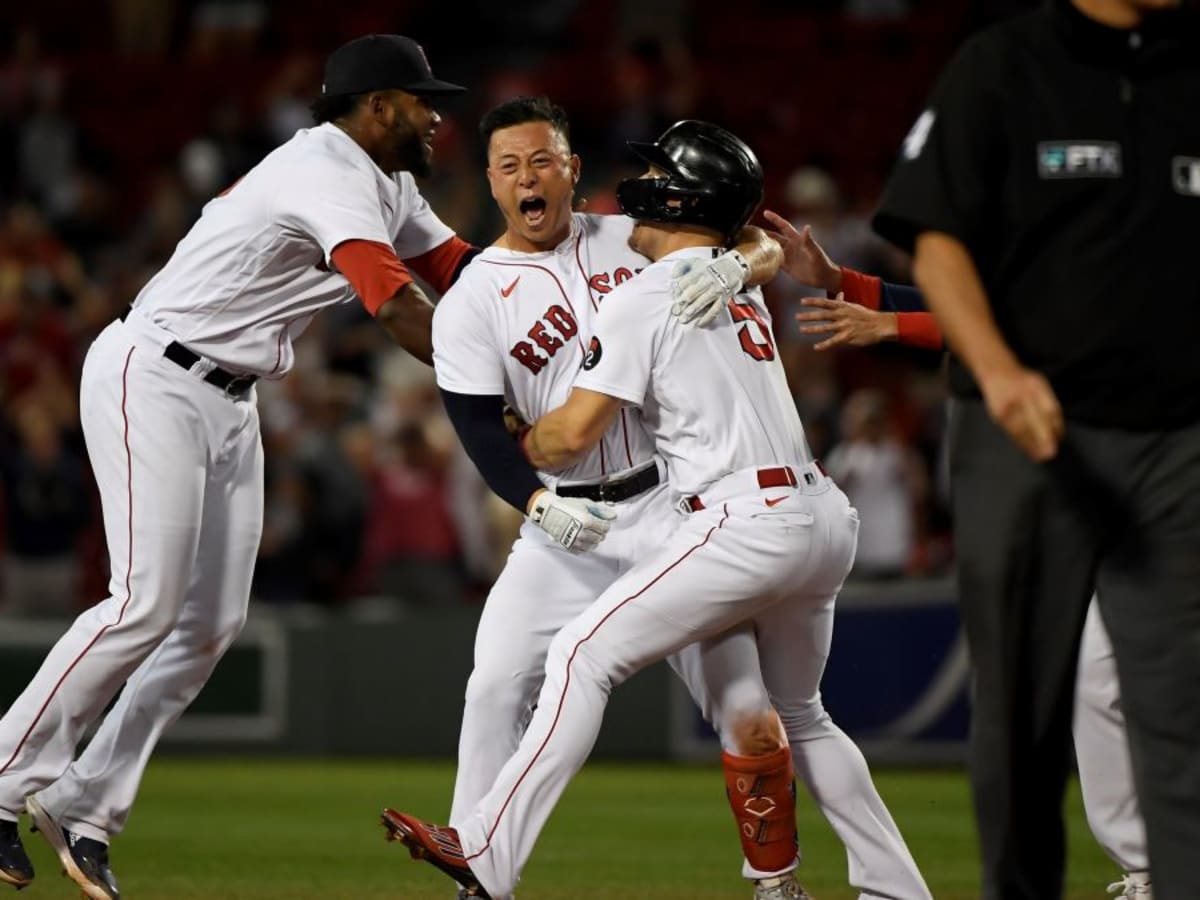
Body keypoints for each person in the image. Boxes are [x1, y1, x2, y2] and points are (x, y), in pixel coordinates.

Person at [381, 120, 921, 900]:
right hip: (788, 512)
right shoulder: (688, 281)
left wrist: (530, 437)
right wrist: (535, 498)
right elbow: (754, 244)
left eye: (543, 159)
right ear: (492, 180)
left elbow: (567, 434)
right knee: (797, 714)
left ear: (570, 168)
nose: (528, 176)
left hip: (699, 512)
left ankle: (492, 856)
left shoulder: (642, 276)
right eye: (509, 164)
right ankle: (895, 890)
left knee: (595, 663)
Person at [0, 34, 476, 900]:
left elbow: (464, 277)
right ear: (375, 108)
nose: (436, 115)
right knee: (143, 601)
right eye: (419, 99)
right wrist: (496, 379)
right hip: (157, 372)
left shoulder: (390, 183)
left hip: (230, 397)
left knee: (210, 623)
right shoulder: (326, 168)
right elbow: (399, 305)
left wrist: (562, 306)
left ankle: (85, 802)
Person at [869, 0, 1200, 895]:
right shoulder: (1003, 66)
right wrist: (1000, 370)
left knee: (1178, 708)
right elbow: (938, 243)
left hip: (1176, 443)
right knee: (1021, 716)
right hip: (1029, 438)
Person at [768, 210, 1153, 897]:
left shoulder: (1125, 250)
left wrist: (887, 326)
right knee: (1096, 675)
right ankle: (1149, 867)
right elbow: (983, 315)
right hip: (1118, 506)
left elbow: (1023, 334)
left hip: (1164, 493)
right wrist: (843, 282)